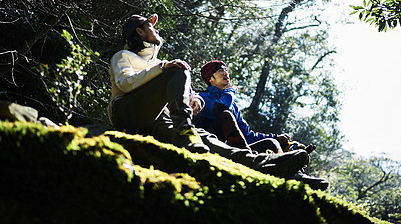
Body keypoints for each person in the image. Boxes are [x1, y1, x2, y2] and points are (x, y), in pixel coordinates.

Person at [107, 14, 311, 180]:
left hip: (158, 122)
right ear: (139, 32)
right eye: (150, 26)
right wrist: (163, 68)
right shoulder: (124, 57)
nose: (156, 29)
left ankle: (259, 164)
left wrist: (196, 99)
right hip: (127, 113)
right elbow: (126, 84)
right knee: (179, 69)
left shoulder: (162, 65)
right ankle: (185, 131)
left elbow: (188, 93)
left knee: (205, 139)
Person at [194, 60, 329, 190]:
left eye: (226, 70)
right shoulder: (203, 97)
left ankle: (292, 174)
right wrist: (231, 91)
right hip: (214, 147)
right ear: (210, 79)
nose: (226, 73)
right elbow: (221, 108)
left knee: (270, 143)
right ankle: (248, 159)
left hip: (238, 149)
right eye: (220, 71)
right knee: (225, 115)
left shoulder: (233, 106)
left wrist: (276, 138)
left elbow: (247, 135)